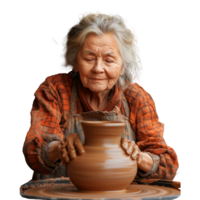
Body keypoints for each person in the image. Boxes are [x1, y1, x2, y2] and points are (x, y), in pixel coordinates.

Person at [20, 7, 181, 181]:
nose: (98, 68)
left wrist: (140, 158)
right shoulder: (55, 90)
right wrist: (59, 148)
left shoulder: (137, 98)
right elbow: (31, 151)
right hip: (60, 195)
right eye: (89, 58)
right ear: (75, 62)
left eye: (109, 60)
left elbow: (168, 163)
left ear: (122, 67)